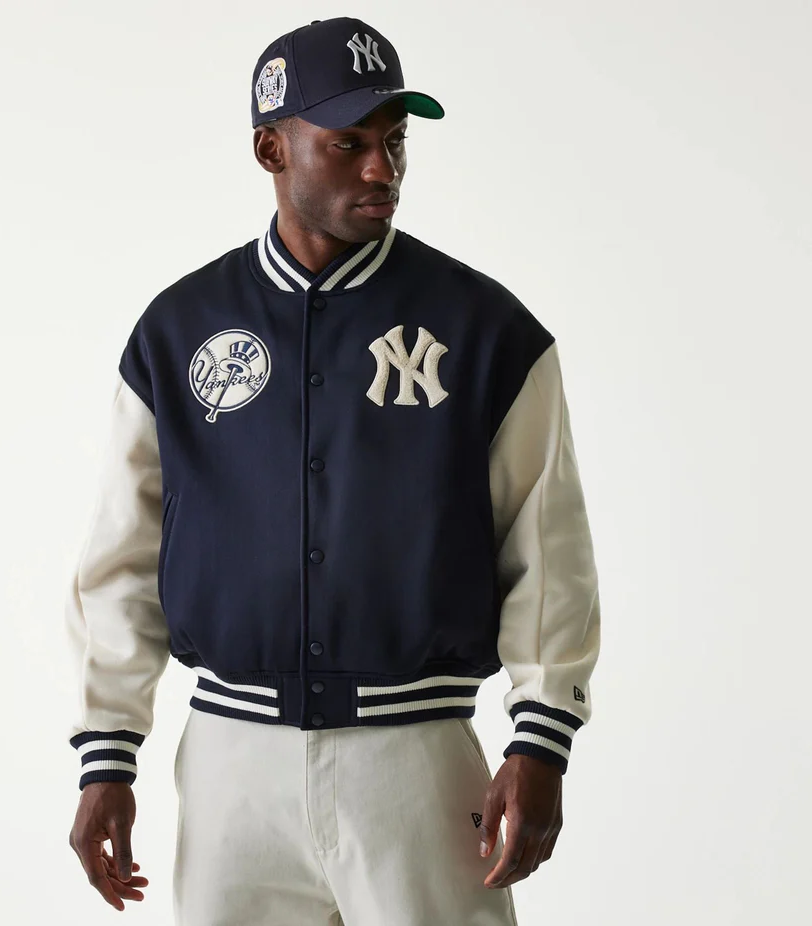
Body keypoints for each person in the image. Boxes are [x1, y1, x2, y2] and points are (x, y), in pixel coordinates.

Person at [65, 16, 601, 926]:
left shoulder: (487, 332)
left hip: (417, 757)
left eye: (396, 140)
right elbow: (123, 555)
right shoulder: (178, 331)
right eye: (349, 143)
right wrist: (106, 755)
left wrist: (541, 739)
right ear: (271, 148)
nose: (382, 168)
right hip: (231, 758)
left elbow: (547, 549)